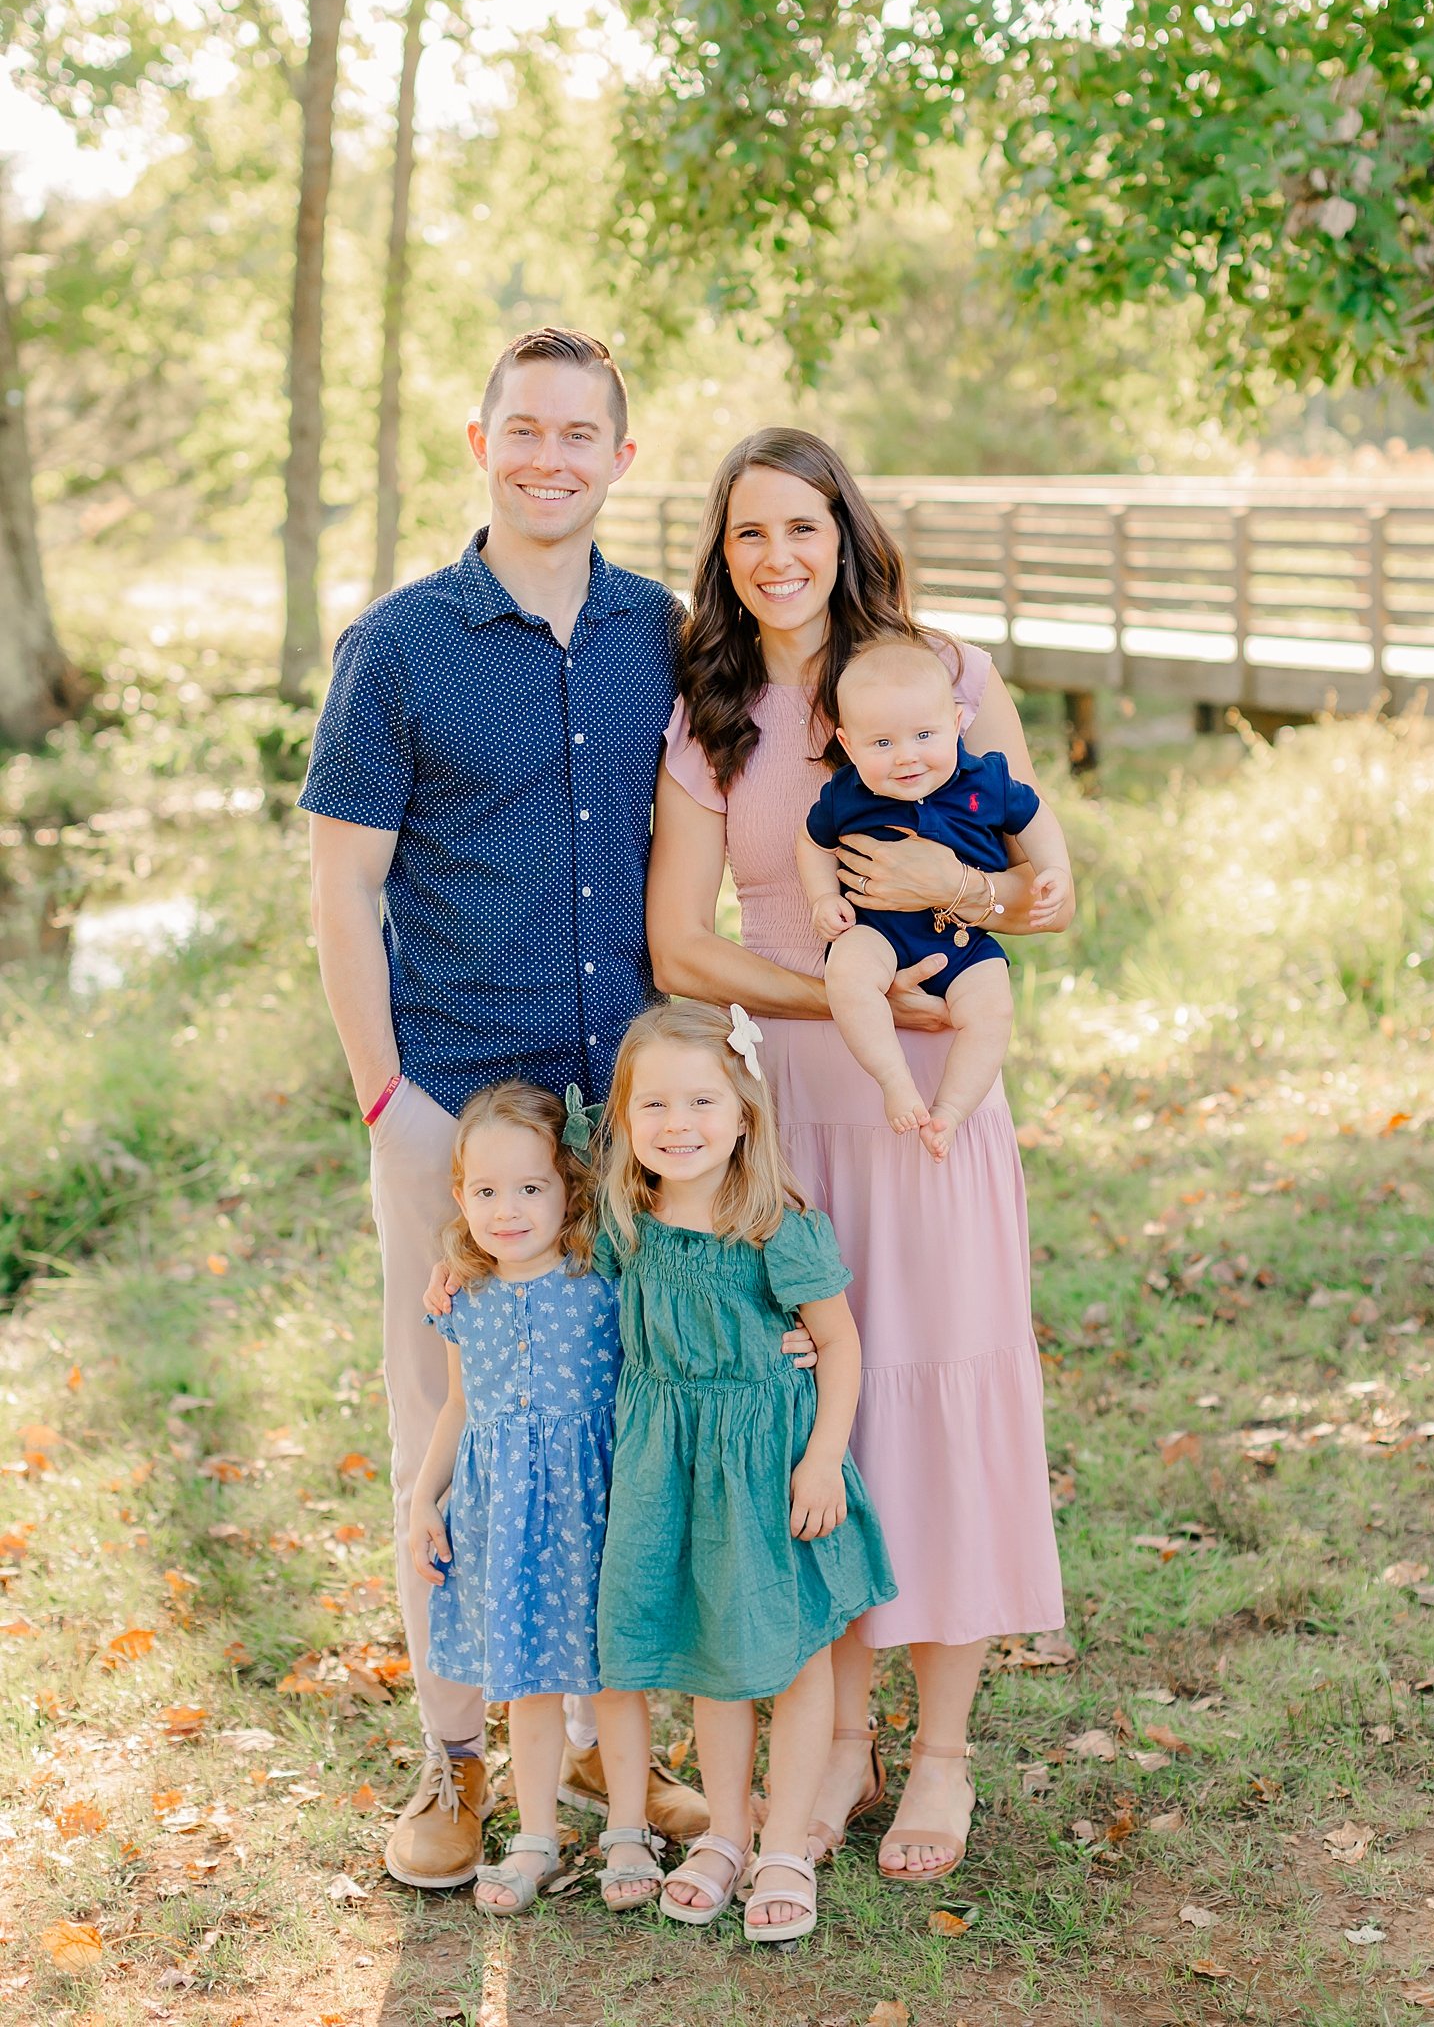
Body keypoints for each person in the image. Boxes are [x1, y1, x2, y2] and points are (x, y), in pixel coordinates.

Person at [298, 327, 708, 1887]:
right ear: (480, 441)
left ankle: (617, 1749)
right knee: (452, 1431)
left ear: (619, 452)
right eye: (523, 427)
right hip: (458, 1114)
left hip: (632, 1119)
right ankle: (455, 1756)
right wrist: (383, 1091)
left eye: (580, 432)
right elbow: (343, 884)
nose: (550, 454)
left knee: (620, 1427)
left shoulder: (658, 634)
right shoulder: (398, 646)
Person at [647, 426, 1070, 1883]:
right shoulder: (711, 712)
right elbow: (679, 938)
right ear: (724, 549)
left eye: (804, 528)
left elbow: (1051, 888)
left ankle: (941, 1744)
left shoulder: (941, 675)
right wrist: (829, 985)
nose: (779, 557)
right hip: (801, 1108)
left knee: (943, 1389)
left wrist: (966, 892)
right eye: (750, 532)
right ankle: (837, 1739)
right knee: (823, 1410)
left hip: (936, 1096)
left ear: (846, 531)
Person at [592, 1001, 895, 1941]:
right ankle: (726, 1832)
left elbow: (839, 1348)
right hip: (666, 1470)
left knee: (794, 1653)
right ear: (626, 1121)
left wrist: (820, 1460)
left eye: (701, 1101)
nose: (678, 1126)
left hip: (767, 1468)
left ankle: (788, 1846)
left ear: (744, 1111)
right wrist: (453, 1268)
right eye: (655, 1107)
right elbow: (523, 1265)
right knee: (712, 1657)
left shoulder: (776, 1223)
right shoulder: (625, 1219)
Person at [409, 1080, 662, 1914]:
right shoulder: (465, 1298)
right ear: (460, 1196)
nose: (507, 1209)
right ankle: (537, 1838)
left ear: (568, 1191)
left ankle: (628, 1828)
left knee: (615, 1674)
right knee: (527, 1680)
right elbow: (457, 1406)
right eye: (486, 1191)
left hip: (597, 1505)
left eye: (530, 1188)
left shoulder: (602, 1277)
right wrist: (424, 1499)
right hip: (504, 1518)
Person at [799, 636, 1073, 1160]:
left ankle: (950, 1110)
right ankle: (894, 1081)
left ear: (954, 721)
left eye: (924, 735)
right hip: (875, 931)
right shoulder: (846, 794)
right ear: (849, 744)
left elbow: (1034, 816)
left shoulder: (984, 779)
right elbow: (811, 841)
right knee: (849, 976)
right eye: (881, 744)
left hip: (964, 940)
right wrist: (821, 897)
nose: (906, 757)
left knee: (992, 1009)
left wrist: (1054, 868)